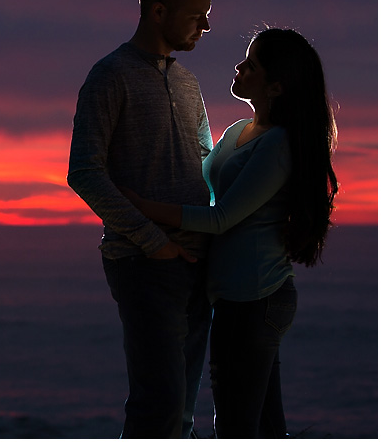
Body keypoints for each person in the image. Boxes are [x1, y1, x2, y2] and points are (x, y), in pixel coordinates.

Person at [121, 28, 339, 438]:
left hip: (256, 301)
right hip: (238, 299)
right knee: (263, 426)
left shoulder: (278, 144)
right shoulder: (240, 130)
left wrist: (142, 207)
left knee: (237, 427)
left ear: (276, 86)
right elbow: (202, 189)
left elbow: (221, 218)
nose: (239, 66)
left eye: (251, 65)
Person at [67, 0, 216, 438]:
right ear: (157, 11)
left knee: (184, 411)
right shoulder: (110, 76)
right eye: (197, 15)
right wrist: (152, 241)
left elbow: (207, 167)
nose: (207, 25)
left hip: (195, 259)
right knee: (160, 408)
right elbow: (84, 171)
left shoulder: (189, 83)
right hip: (144, 262)